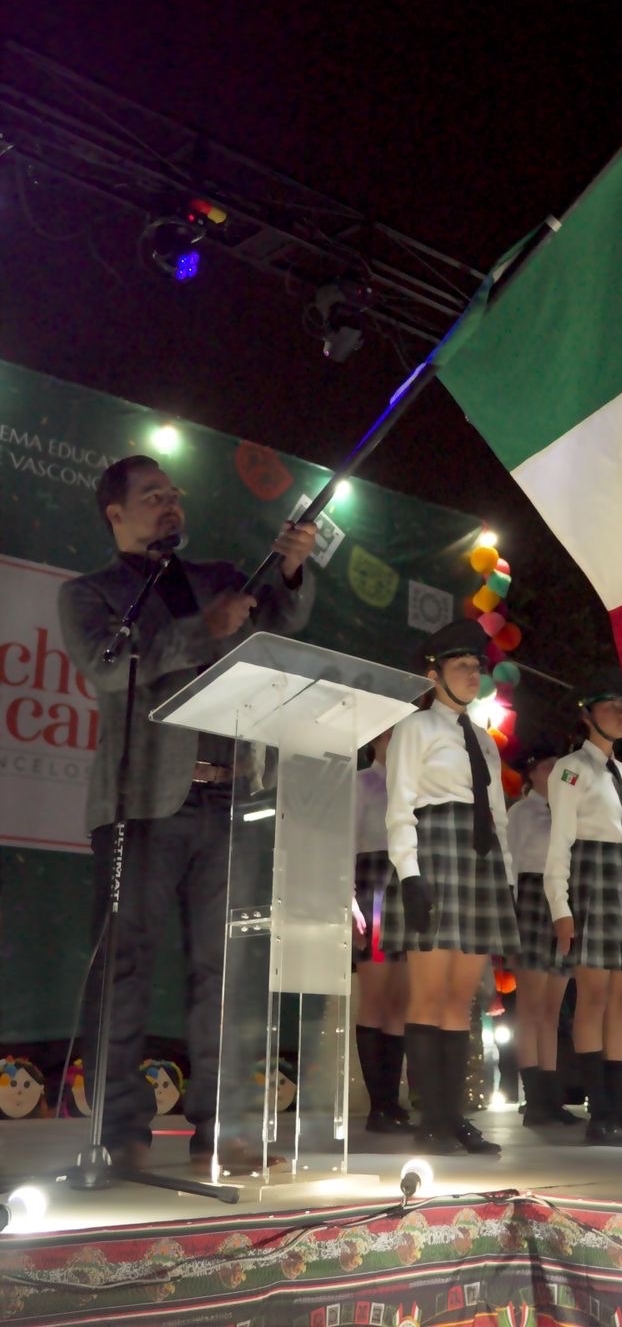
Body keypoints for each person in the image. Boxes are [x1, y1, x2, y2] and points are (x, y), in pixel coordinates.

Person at [58, 455, 316, 1174]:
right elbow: (111, 666)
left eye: (175, 495)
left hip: (229, 798)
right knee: (125, 968)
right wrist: (203, 630)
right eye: (152, 497)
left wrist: (292, 569)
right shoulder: (89, 593)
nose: (170, 505)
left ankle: (225, 1125)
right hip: (139, 803)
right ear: (115, 514)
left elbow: (282, 614)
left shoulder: (220, 576)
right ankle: (121, 1132)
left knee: (226, 969)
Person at [379, 619, 519, 1156]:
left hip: (480, 861)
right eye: (460, 665)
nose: (472, 673)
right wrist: (410, 874)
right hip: (435, 852)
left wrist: (505, 880)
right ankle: (431, 1118)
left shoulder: (483, 739)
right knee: (429, 993)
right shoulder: (415, 729)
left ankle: (453, 1115)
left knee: (461, 1000)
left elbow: (499, 817)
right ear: (432, 674)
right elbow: (401, 806)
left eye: (476, 665)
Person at [544, 667, 622, 1148]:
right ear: (587, 714)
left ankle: (619, 1109)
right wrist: (560, 906)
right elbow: (561, 842)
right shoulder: (570, 768)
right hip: (590, 877)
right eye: (610, 705)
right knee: (592, 998)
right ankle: (600, 1114)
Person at [506, 738, 577, 1128]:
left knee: (552, 1008)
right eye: (548, 766)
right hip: (531, 899)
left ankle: (551, 1096)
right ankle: (533, 1096)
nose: (556, 773)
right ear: (531, 772)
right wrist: (510, 918)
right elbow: (510, 865)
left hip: (560, 900)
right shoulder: (521, 812)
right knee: (532, 1007)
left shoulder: (568, 813)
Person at [353, 728, 411, 1134]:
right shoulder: (360, 782)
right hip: (372, 887)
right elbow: (342, 842)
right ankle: (379, 1106)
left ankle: (392, 1101)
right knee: (375, 995)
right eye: (387, 734)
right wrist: (348, 899)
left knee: (401, 1000)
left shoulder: (415, 785)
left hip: (408, 886)